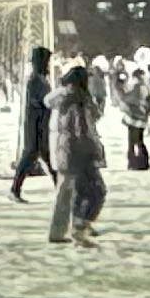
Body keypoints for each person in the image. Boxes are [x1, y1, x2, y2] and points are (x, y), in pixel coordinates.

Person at [49, 62, 108, 249]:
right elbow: (83, 130)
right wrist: (95, 150)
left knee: (69, 191)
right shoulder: (78, 101)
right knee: (94, 190)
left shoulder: (67, 98)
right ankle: (79, 226)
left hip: (66, 150)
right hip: (79, 152)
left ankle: (64, 230)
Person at [7, 46, 54, 202]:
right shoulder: (35, 80)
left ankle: (63, 190)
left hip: (41, 124)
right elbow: (37, 101)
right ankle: (15, 189)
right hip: (36, 125)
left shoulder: (38, 79)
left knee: (44, 157)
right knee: (35, 156)